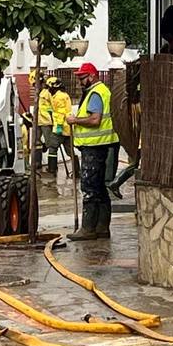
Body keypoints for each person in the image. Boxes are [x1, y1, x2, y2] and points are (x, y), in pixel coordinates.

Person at [64, 62, 120, 241]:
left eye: (82, 78)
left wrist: (75, 120)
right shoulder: (102, 91)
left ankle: (88, 228)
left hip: (94, 147)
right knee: (99, 188)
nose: (80, 81)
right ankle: (102, 227)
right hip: (101, 145)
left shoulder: (96, 93)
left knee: (89, 187)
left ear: (92, 76)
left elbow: (95, 120)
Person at [38, 75, 72, 179]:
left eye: (50, 88)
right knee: (70, 151)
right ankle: (77, 171)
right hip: (67, 128)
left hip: (60, 128)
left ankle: (51, 170)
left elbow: (60, 112)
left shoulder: (58, 97)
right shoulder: (64, 95)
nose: (49, 90)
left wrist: (59, 127)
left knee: (52, 148)